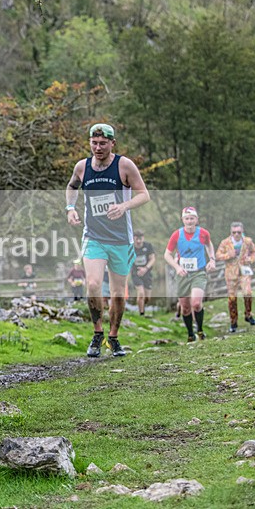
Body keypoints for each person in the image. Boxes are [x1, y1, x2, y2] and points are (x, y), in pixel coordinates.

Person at [66, 123, 150, 357]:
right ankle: (97, 334)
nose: (98, 147)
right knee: (92, 284)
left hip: (121, 239)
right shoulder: (82, 167)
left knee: (117, 293)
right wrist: (70, 208)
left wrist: (124, 206)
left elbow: (144, 194)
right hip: (94, 236)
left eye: (103, 143)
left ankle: (113, 337)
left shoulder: (124, 165)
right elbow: (72, 186)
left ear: (112, 143)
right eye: (94, 143)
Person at [164, 207, 216, 341]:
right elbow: (167, 254)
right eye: (187, 218)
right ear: (182, 220)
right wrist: (176, 267)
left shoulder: (203, 233)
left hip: (198, 272)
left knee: (196, 303)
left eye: (192, 218)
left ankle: (199, 329)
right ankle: (190, 334)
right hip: (182, 274)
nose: (189, 221)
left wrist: (212, 259)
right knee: (185, 308)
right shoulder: (176, 235)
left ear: (196, 220)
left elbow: (209, 245)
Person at [215, 221, 255, 333]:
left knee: (247, 292)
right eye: (234, 232)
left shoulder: (247, 241)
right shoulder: (225, 243)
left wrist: (250, 259)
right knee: (232, 298)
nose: (237, 234)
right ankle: (233, 321)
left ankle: (248, 315)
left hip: (244, 271)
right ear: (231, 232)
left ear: (242, 231)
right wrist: (228, 255)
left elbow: (254, 252)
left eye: (239, 232)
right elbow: (218, 255)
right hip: (231, 273)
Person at [130, 229, 156, 316]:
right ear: (133, 238)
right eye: (136, 239)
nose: (138, 241)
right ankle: (142, 313)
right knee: (141, 293)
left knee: (147, 297)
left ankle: (143, 306)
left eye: (140, 239)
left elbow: (152, 259)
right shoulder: (131, 247)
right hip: (136, 273)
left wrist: (145, 268)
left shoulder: (148, 246)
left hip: (147, 273)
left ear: (143, 238)